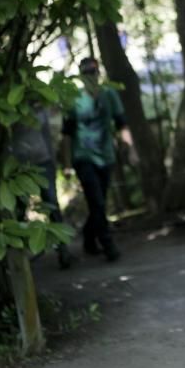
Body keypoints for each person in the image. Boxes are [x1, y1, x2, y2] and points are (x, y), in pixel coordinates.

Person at [61, 56, 133, 262]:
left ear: (98, 73)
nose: (91, 76)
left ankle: (89, 239)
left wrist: (130, 148)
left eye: (93, 72)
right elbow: (66, 135)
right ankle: (108, 244)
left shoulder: (109, 94)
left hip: (106, 156)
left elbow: (121, 123)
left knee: (98, 202)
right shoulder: (73, 98)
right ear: (81, 76)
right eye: (87, 73)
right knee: (97, 201)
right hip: (83, 157)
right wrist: (66, 165)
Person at [10, 102, 73, 270]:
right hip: (19, 166)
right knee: (19, 209)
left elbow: (48, 136)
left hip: (43, 162)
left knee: (52, 204)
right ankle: (21, 257)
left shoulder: (41, 109)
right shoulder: (11, 108)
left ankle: (63, 249)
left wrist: (53, 161)